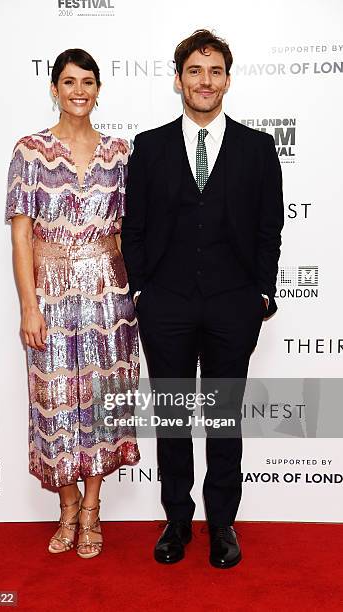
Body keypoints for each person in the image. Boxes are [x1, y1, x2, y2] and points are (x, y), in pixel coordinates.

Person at [121, 29, 283, 568]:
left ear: (228, 80)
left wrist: (261, 294)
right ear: (178, 79)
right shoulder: (149, 146)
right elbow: (134, 227)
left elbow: (269, 230)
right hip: (164, 304)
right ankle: (176, 521)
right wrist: (142, 290)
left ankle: (222, 523)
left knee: (222, 421)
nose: (204, 81)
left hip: (233, 306)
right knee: (171, 418)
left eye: (214, 72)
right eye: (195, 70)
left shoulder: (258, 148)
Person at [6, 48, 140, 559]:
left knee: (103, 403)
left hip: (110, 295)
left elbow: (130, 232)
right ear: (54, 89)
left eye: (88, 81)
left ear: (99, 89)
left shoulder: (121, 153)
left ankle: (92, 509)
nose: (79, 90)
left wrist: (135, 298)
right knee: (57, 403)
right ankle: (65, 507)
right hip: (52, 294)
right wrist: (28, 306)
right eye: (68, 81)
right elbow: (21, 238)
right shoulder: (30, 151)